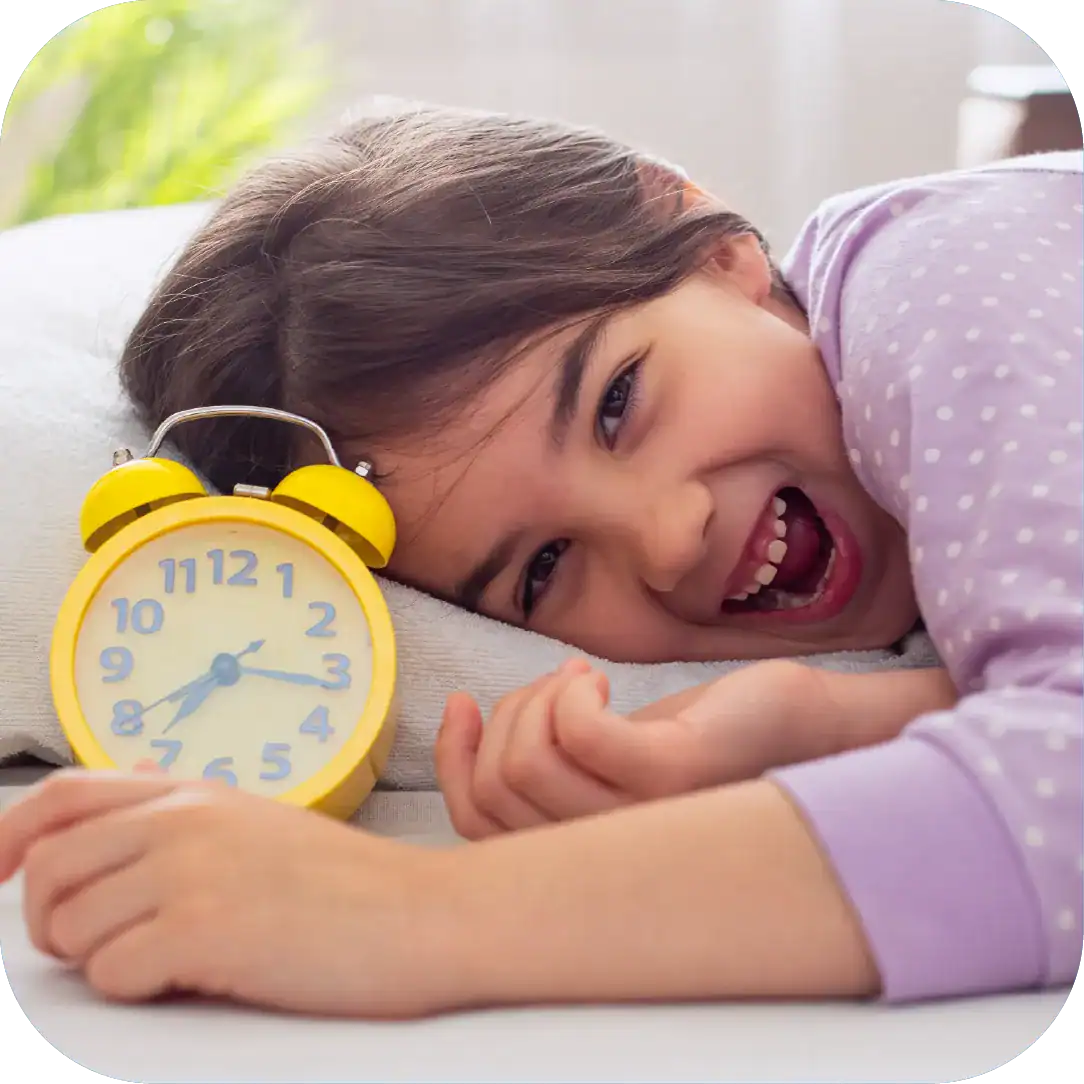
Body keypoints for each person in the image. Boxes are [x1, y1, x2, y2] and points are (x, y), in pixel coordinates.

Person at [0, 105, 1079, 1018]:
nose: (668, 539)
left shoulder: (946, 285)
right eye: (545, 568)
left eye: (617, 402)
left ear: (710, 246)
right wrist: (814, 723)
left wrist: (402, 916)